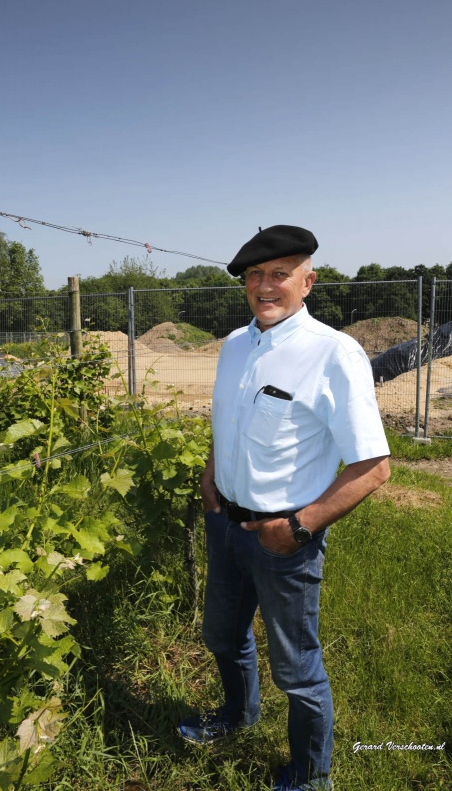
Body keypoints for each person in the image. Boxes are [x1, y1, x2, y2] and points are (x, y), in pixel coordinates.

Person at [177, 225, 390, 791]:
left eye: (279, 273)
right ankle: (238, 714)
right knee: (222, 636)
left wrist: (297, 527)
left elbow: (373, 467)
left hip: (283, 537)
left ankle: (310, 773)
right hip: (225, 522)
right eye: (254, 276)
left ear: (308, 281)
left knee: (296, 670)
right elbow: (230, 421)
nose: (264, 286)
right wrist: (210, 474)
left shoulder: (333, 354)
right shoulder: (234, 345)